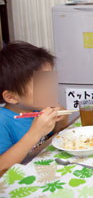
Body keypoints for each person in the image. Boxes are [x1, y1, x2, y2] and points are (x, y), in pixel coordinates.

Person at [0, 42, 67, 173]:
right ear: (11, 97)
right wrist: (35, 133)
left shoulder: (38, 108)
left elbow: (59, 132)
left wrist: (62, 117)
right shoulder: (3, 121)